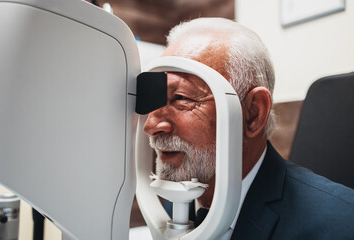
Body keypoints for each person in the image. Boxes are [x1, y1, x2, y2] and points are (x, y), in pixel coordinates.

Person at [143, 18, 354, 239]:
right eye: (155, 102)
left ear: (253, 113)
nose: (152, 126)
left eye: (181, 98)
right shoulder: (174, 209)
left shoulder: (341, 226)